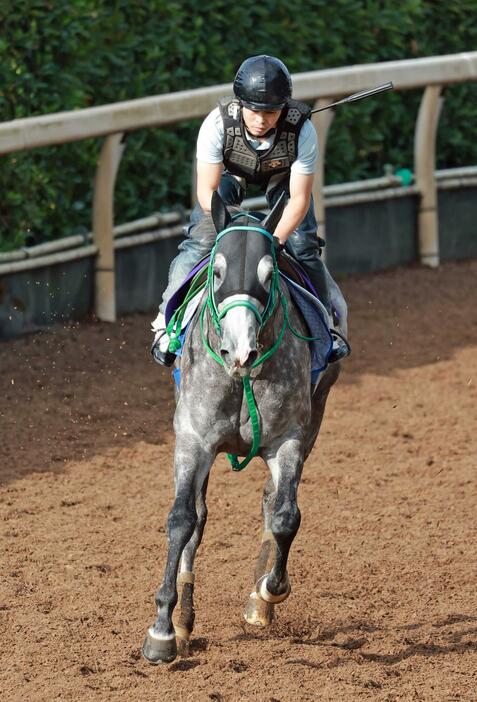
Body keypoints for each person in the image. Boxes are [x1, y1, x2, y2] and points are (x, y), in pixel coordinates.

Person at [151, 54, 349, 366]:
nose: (260, 120)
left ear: (283, 107)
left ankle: (327, 328)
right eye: (254, 110)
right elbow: (207, 190)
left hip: (282, 179)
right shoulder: (216, 124)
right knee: (198, 243)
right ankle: (167, 324)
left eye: (270, 112)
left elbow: (298, 199)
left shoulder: (303, 130)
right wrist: (225, 231)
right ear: (240, 103)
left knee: (304, 246)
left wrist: (276, 240)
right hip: (230, 178)